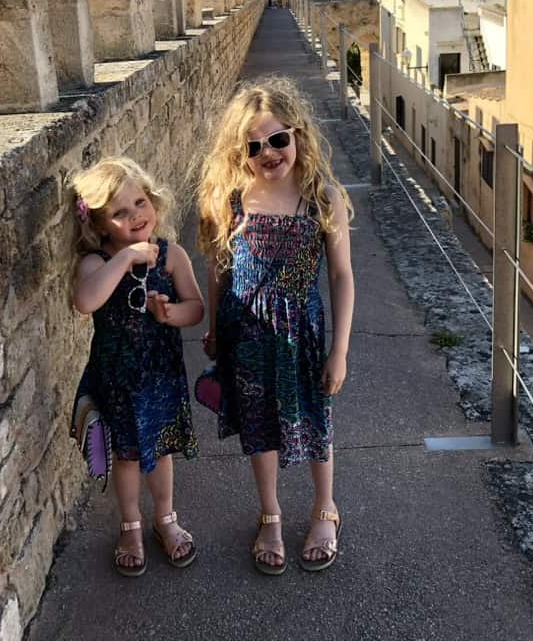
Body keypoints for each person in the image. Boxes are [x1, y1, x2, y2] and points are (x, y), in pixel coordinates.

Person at [197, 78, 354, 574]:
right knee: (260, 425)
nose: (269, 153)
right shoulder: (232, 200)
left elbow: (342, 275)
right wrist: (216, 331)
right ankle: (270, 512)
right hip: (245, 336)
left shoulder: (322, 197)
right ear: (240, 153)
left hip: (300, 334)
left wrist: (340, 352)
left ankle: (325, 507)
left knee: (313, 420)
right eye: (254, 146)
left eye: (278, 139)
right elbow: (219, 266)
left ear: (299, 134)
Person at [72, 157, 204, 577]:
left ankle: (165, 518)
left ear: (155, 203)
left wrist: (170, 316)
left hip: (161, 376)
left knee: (162, 452)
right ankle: (129, 526)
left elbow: (196, 308)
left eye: (140, 203)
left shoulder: (171, 256)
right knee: (126, 458)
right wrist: (125, 258)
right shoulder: (96, 264)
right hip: (119, 382)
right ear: (98, 223)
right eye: (119, 212)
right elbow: (86, 301)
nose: (135, 217)